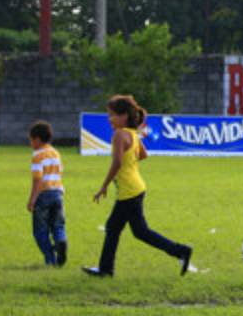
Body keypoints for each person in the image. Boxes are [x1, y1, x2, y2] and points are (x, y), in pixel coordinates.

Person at [83, 95, 191, 277]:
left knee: (130, 230)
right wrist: (129, 164)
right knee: (122, 229)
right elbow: (143, 155)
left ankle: (181, 251)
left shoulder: (120, 135)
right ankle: (106, 269)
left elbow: (117, 163)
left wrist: (104, 186)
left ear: (124, 116)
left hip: (129, 191)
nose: (109, 119)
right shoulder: (132, 134)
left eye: (112, 115)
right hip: (136, 187)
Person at [28, 120, 67, 267]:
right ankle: (61, 241)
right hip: (58, 193)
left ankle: (50, 260)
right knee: (58, 225)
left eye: (31, 140)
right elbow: (59, 172)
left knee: (40, 230)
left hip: (43, 195)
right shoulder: (55, 153)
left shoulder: (37, 155)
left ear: (37, 139)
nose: (31, 143)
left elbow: (37, 179)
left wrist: (32, 199)